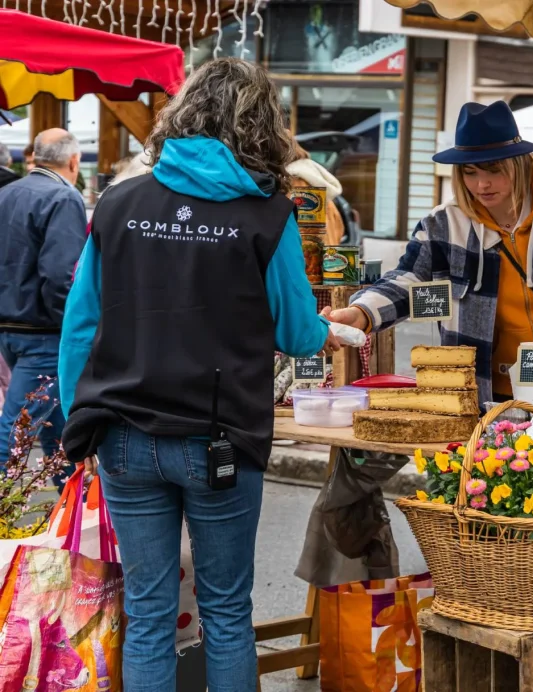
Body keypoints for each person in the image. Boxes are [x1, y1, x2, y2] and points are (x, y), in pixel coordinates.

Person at [57, 58, 341, 692]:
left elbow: (81, 326)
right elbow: (298, 334)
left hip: (123, 433)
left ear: (181, 118)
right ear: (261, 127)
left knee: (150, 616)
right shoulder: (269, 215)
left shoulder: (120, 203)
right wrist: (333, 327)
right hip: (220, 438)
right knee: (225, 614)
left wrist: (75, 428)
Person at [329, 100, 533, 615]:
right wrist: (361, 314)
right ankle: (501, 620)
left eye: (492, 169)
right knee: (488, 520)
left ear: (517, 163)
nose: (481, 184)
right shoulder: (444, 225)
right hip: (485, 400)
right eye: (469, 172)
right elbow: (407, 281)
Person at [0, 129, 86, 486]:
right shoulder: (64, 198)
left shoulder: (7, 193)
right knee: (14, 435)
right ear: (73, 161)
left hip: (10, 328)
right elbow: (61, 275)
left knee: (59, 427)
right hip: (45, 333)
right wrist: (76, 328)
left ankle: (73, 506)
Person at [287, 144, 346, 244]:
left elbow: (307, 239)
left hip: (311, 257)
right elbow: (339, 228)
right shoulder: (313, 183)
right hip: (328, 255)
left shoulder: (299, 184)